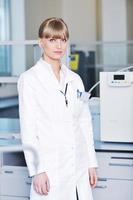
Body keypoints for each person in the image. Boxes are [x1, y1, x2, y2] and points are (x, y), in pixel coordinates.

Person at [17, 17, 98, 200]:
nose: (58, 45)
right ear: (41, 42)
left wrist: (91, 163)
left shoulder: (75, 79)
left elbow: (84, 123)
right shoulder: (30, 79)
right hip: (50, 167)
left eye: (62, 39)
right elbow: (28, 129)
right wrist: (38, 170)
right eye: (52, 39)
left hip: (78, 165)